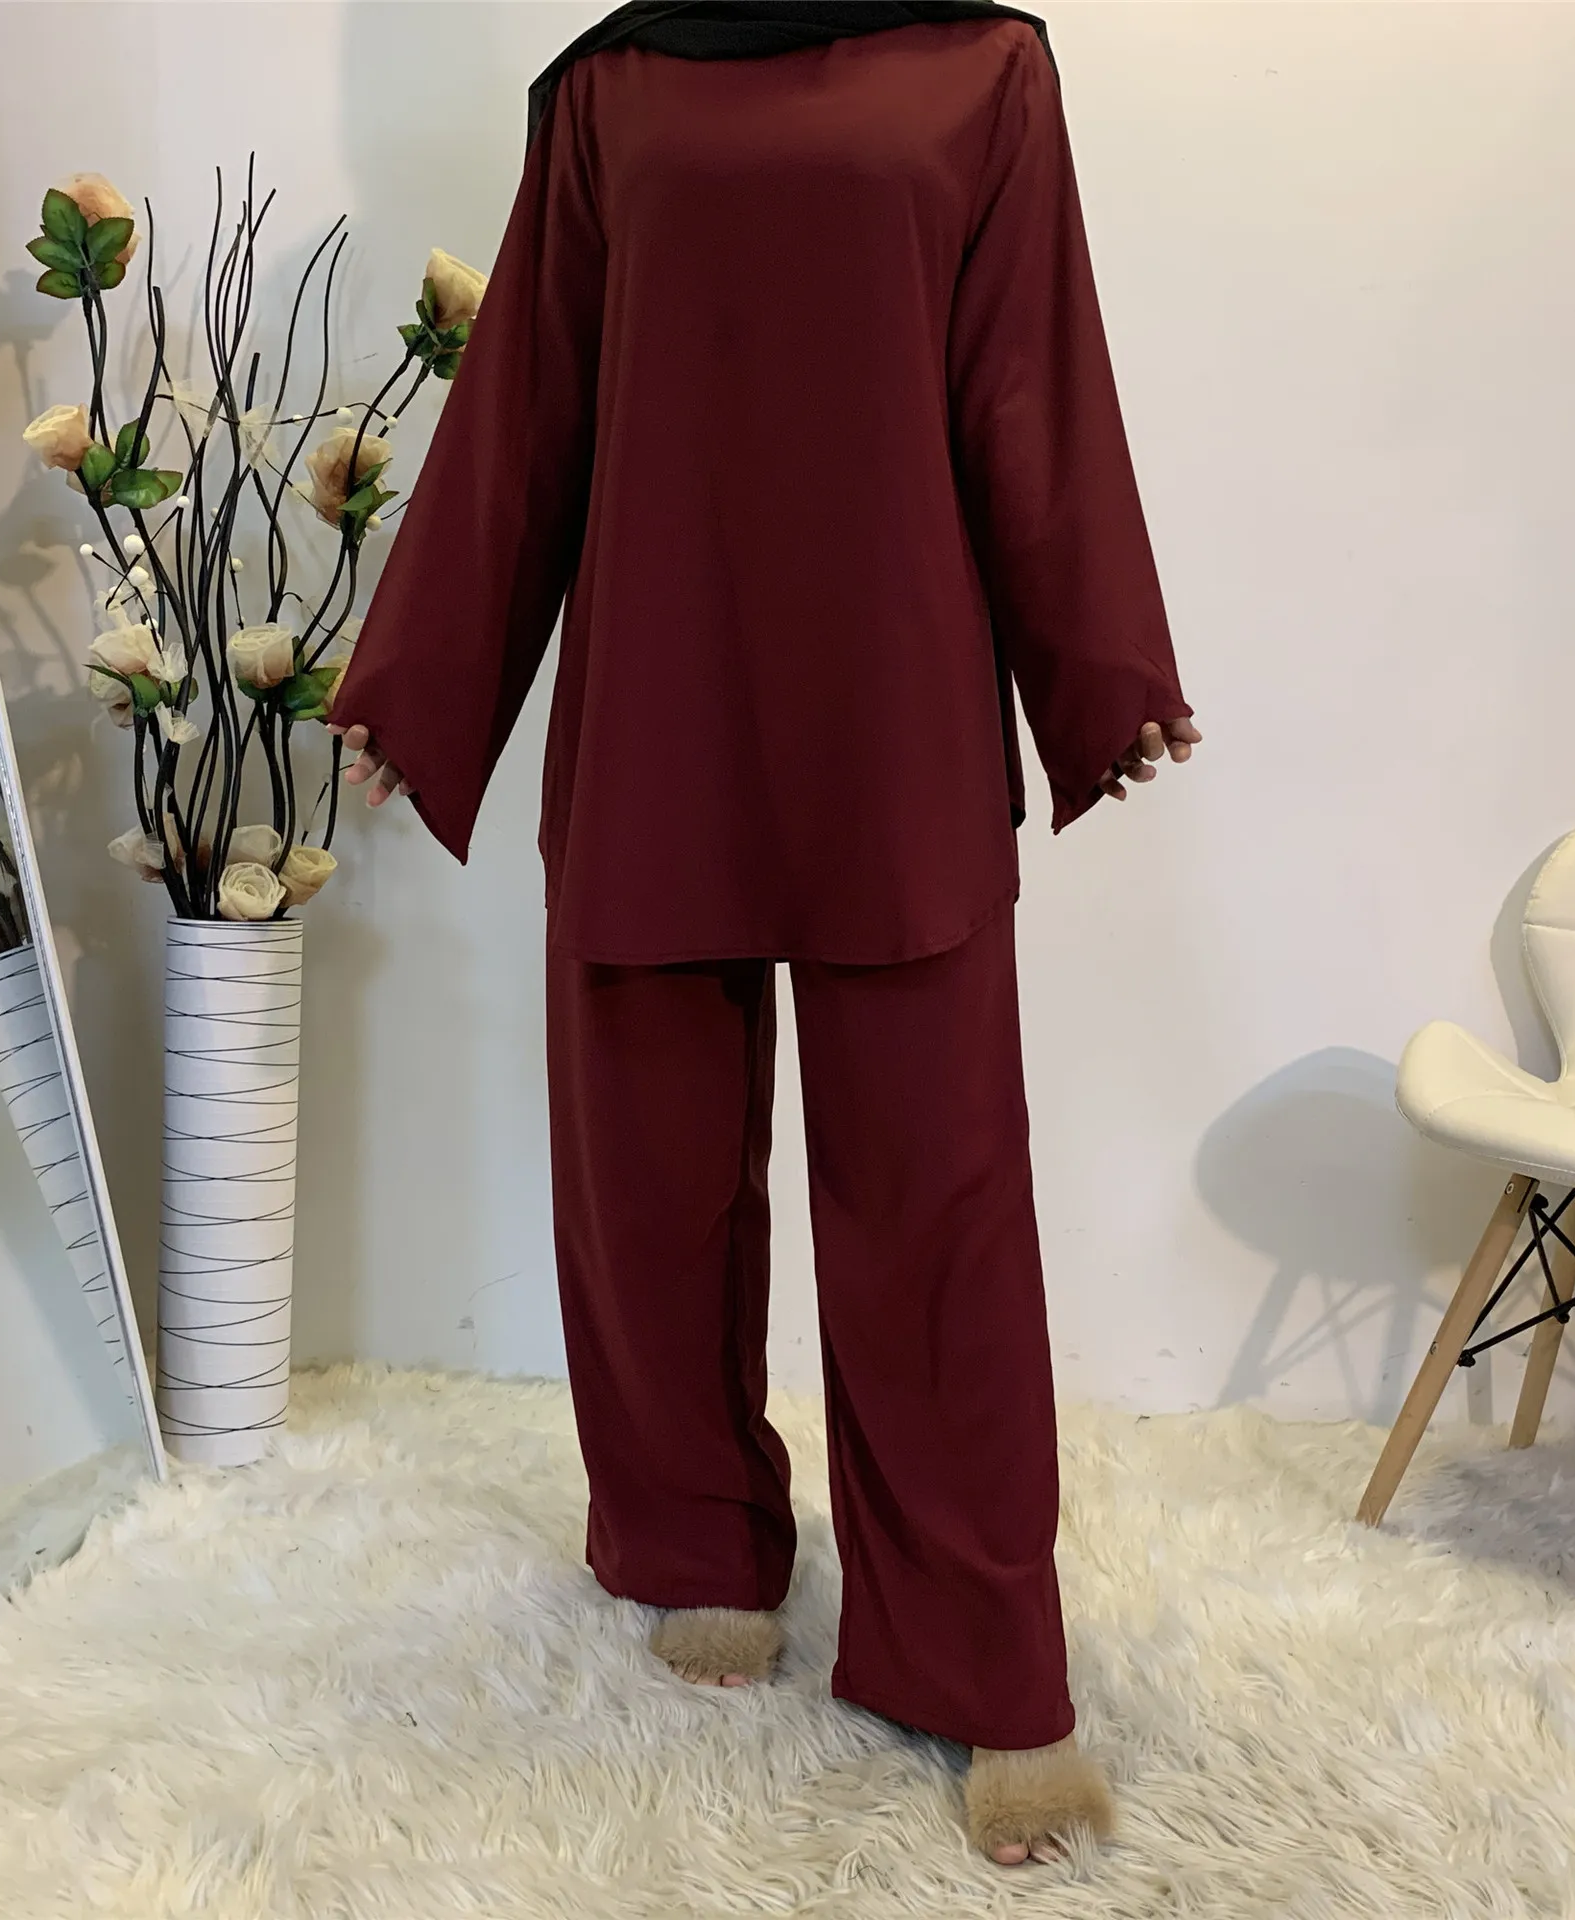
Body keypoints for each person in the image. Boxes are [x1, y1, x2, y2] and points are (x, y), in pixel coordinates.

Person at [325, 0, 1199, 1868]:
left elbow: (1032, 378)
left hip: (891, 710)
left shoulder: (983, 71)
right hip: (662, 690)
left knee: (941, 1200)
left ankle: (982, 1652)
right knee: (647, 1173)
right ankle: (699, 1534)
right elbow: (532, 402)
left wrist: (1102, 667)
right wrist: (427, 680)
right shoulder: (610, 90)